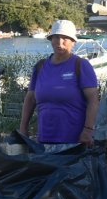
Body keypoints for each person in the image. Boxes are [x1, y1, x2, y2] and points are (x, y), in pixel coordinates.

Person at [18, 19, 99, 148]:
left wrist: (88, 130)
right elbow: (30, 98)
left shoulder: (81, 65)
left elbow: (93, 100)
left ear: (73, 42)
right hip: (44, 140)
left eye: (65, 38)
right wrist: (23, 128)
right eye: (56, 37)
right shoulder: (40, 67)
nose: (60, 42)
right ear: (51, 39)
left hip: (74, 141)